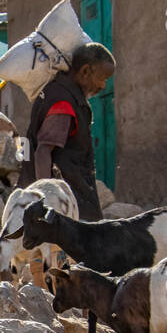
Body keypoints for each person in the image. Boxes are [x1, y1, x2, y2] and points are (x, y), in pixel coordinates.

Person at [22, 41, 115, 221]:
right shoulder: (63, 102)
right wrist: (46, 201)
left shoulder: (58, 92)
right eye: (103, 78)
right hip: (68, 200)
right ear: (85, 71)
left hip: (68, 197)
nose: (103, 86)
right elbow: (43, 151)